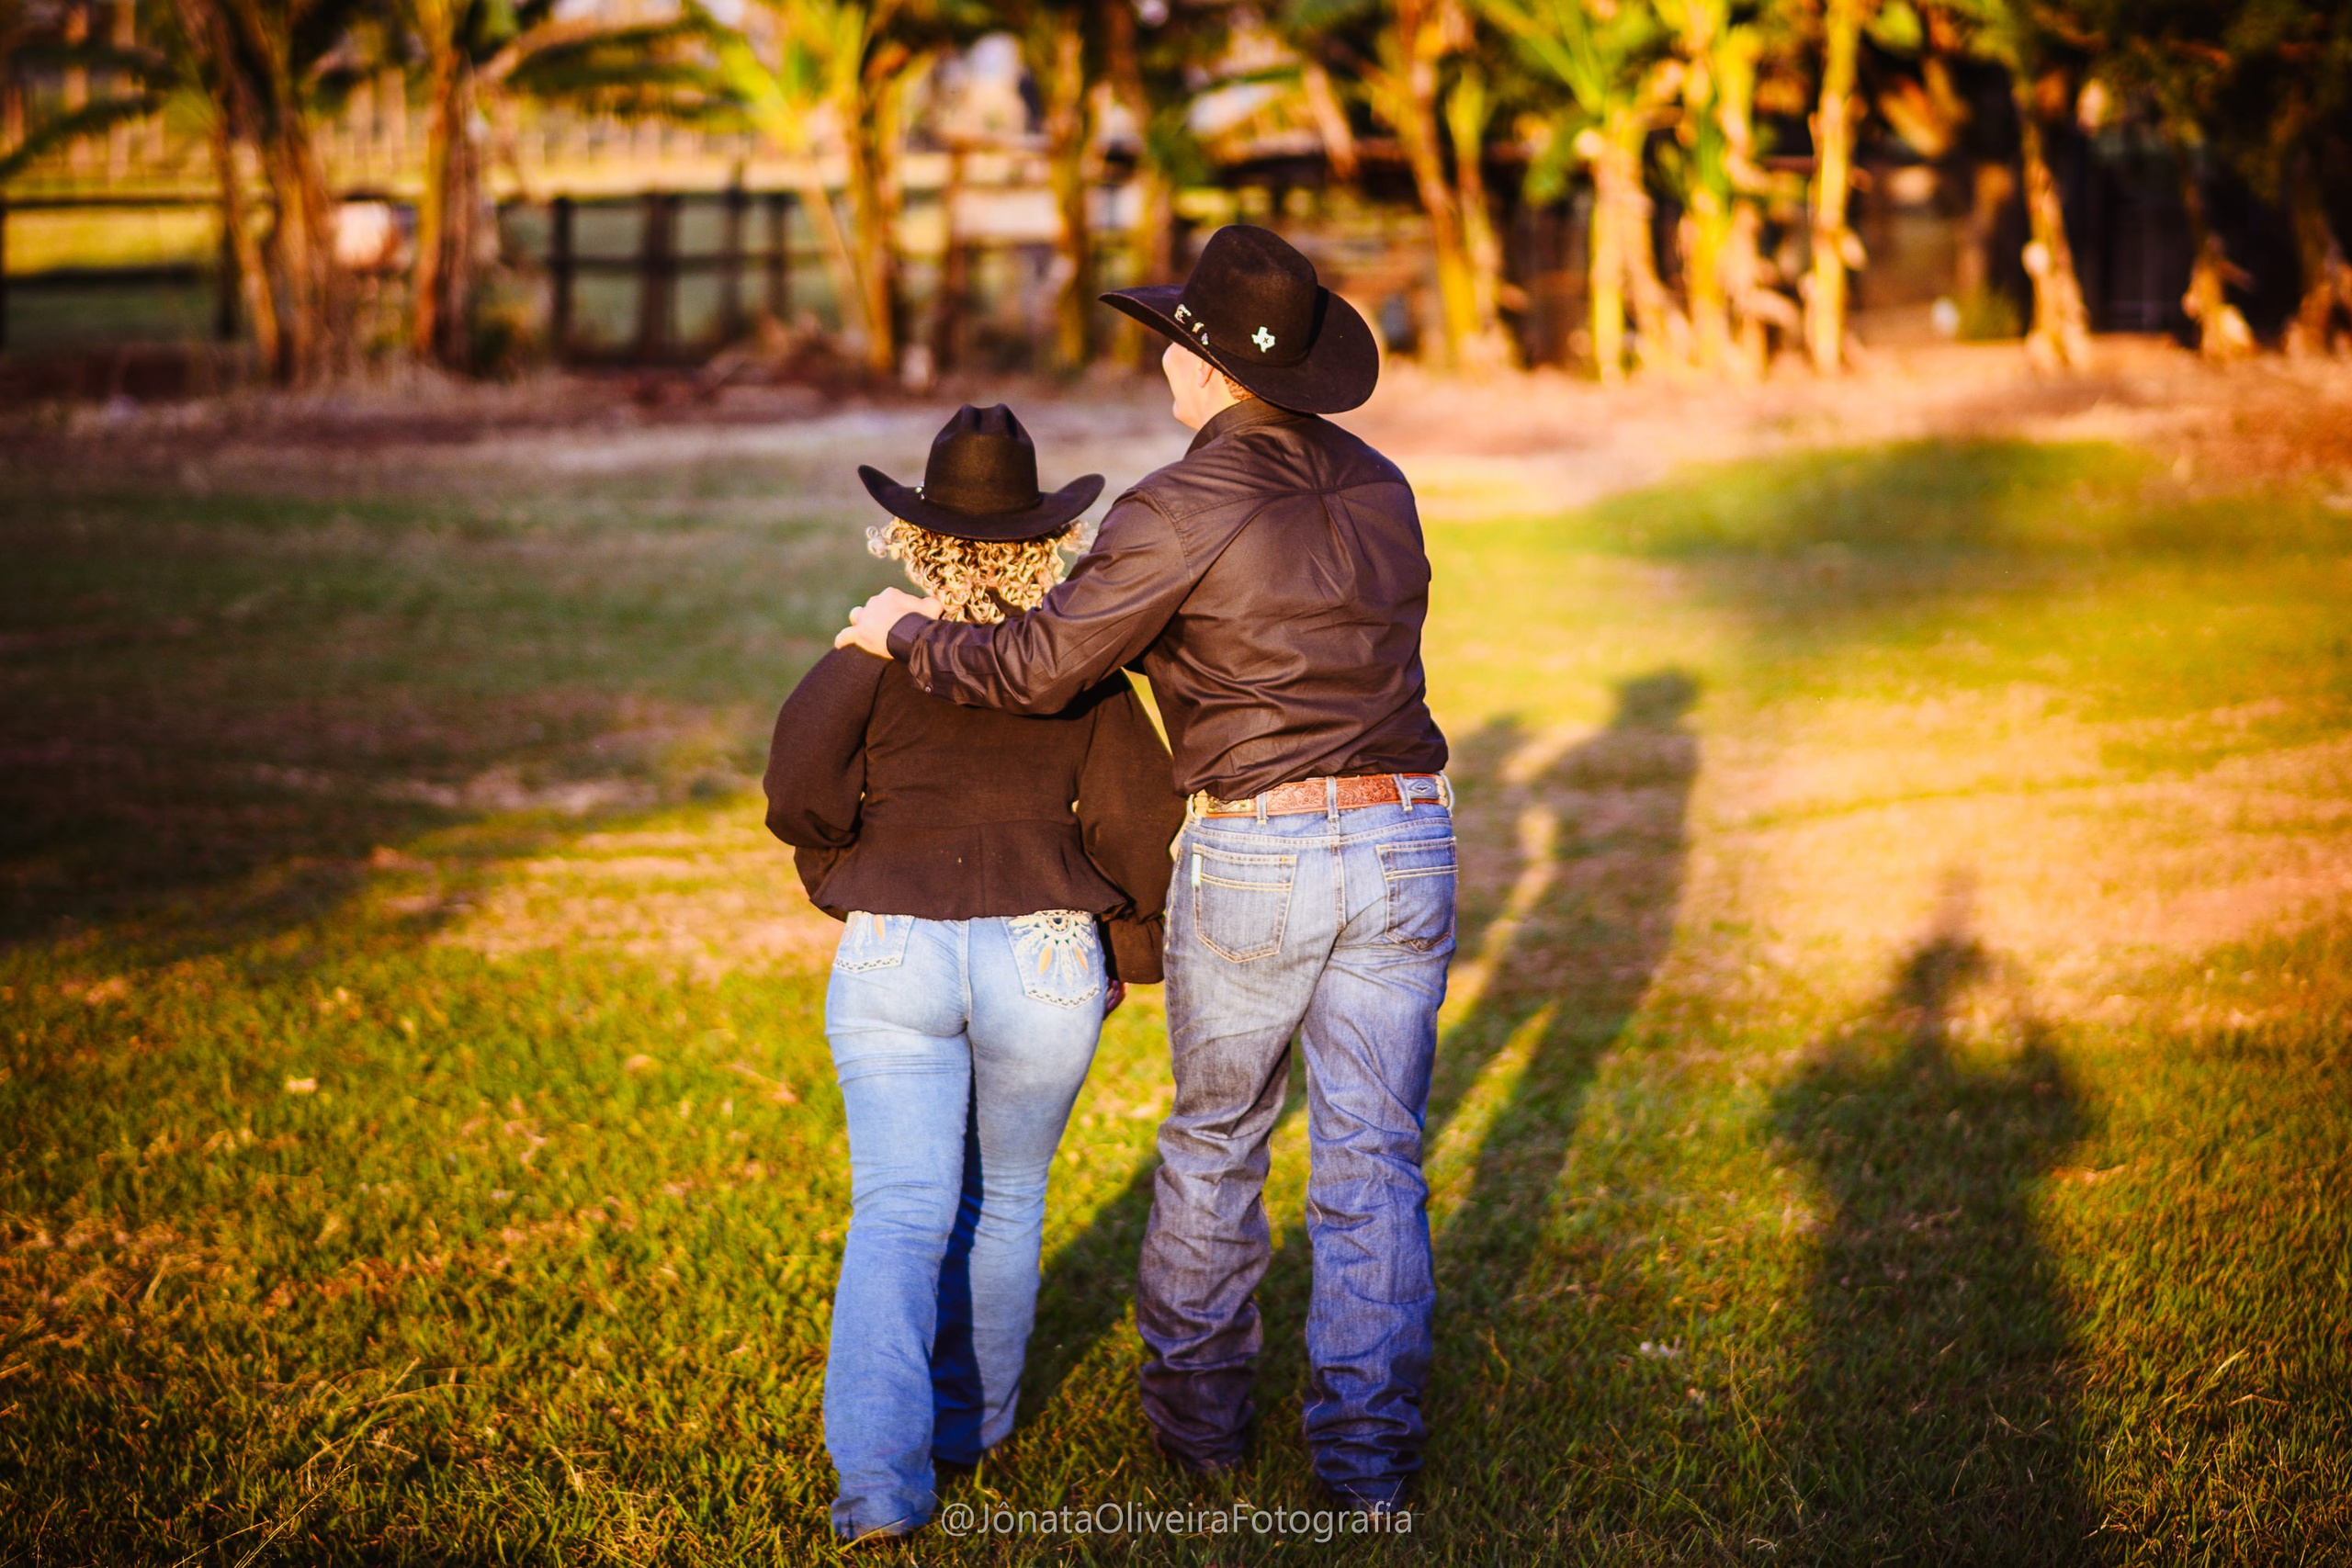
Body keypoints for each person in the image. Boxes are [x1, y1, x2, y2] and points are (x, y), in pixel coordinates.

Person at [834, 226, 1453, 1514]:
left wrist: (903, 632)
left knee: (1220, 1135)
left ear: (1213, 371)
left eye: (1178, 337)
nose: (1164, 355)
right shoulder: (1385, 483)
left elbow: (1039, 667)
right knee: (1374, 1158)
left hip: (1265, 840)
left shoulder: (1180, 503)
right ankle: (1368, 1466)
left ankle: (1199, 1427)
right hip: (1409, 830)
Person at [766, 403, 1186, 1543]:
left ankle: (879, 1487)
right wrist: (1129, 950)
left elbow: (796, 796)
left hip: (893, 945)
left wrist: (843, 877)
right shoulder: (1076, 674)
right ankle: (975, 1431)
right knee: (1003, 1204)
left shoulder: (868, 658)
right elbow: (1141, 825)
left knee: (898, 1210)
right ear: (1045, 546)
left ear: (916, 539)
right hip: (1046, 947)